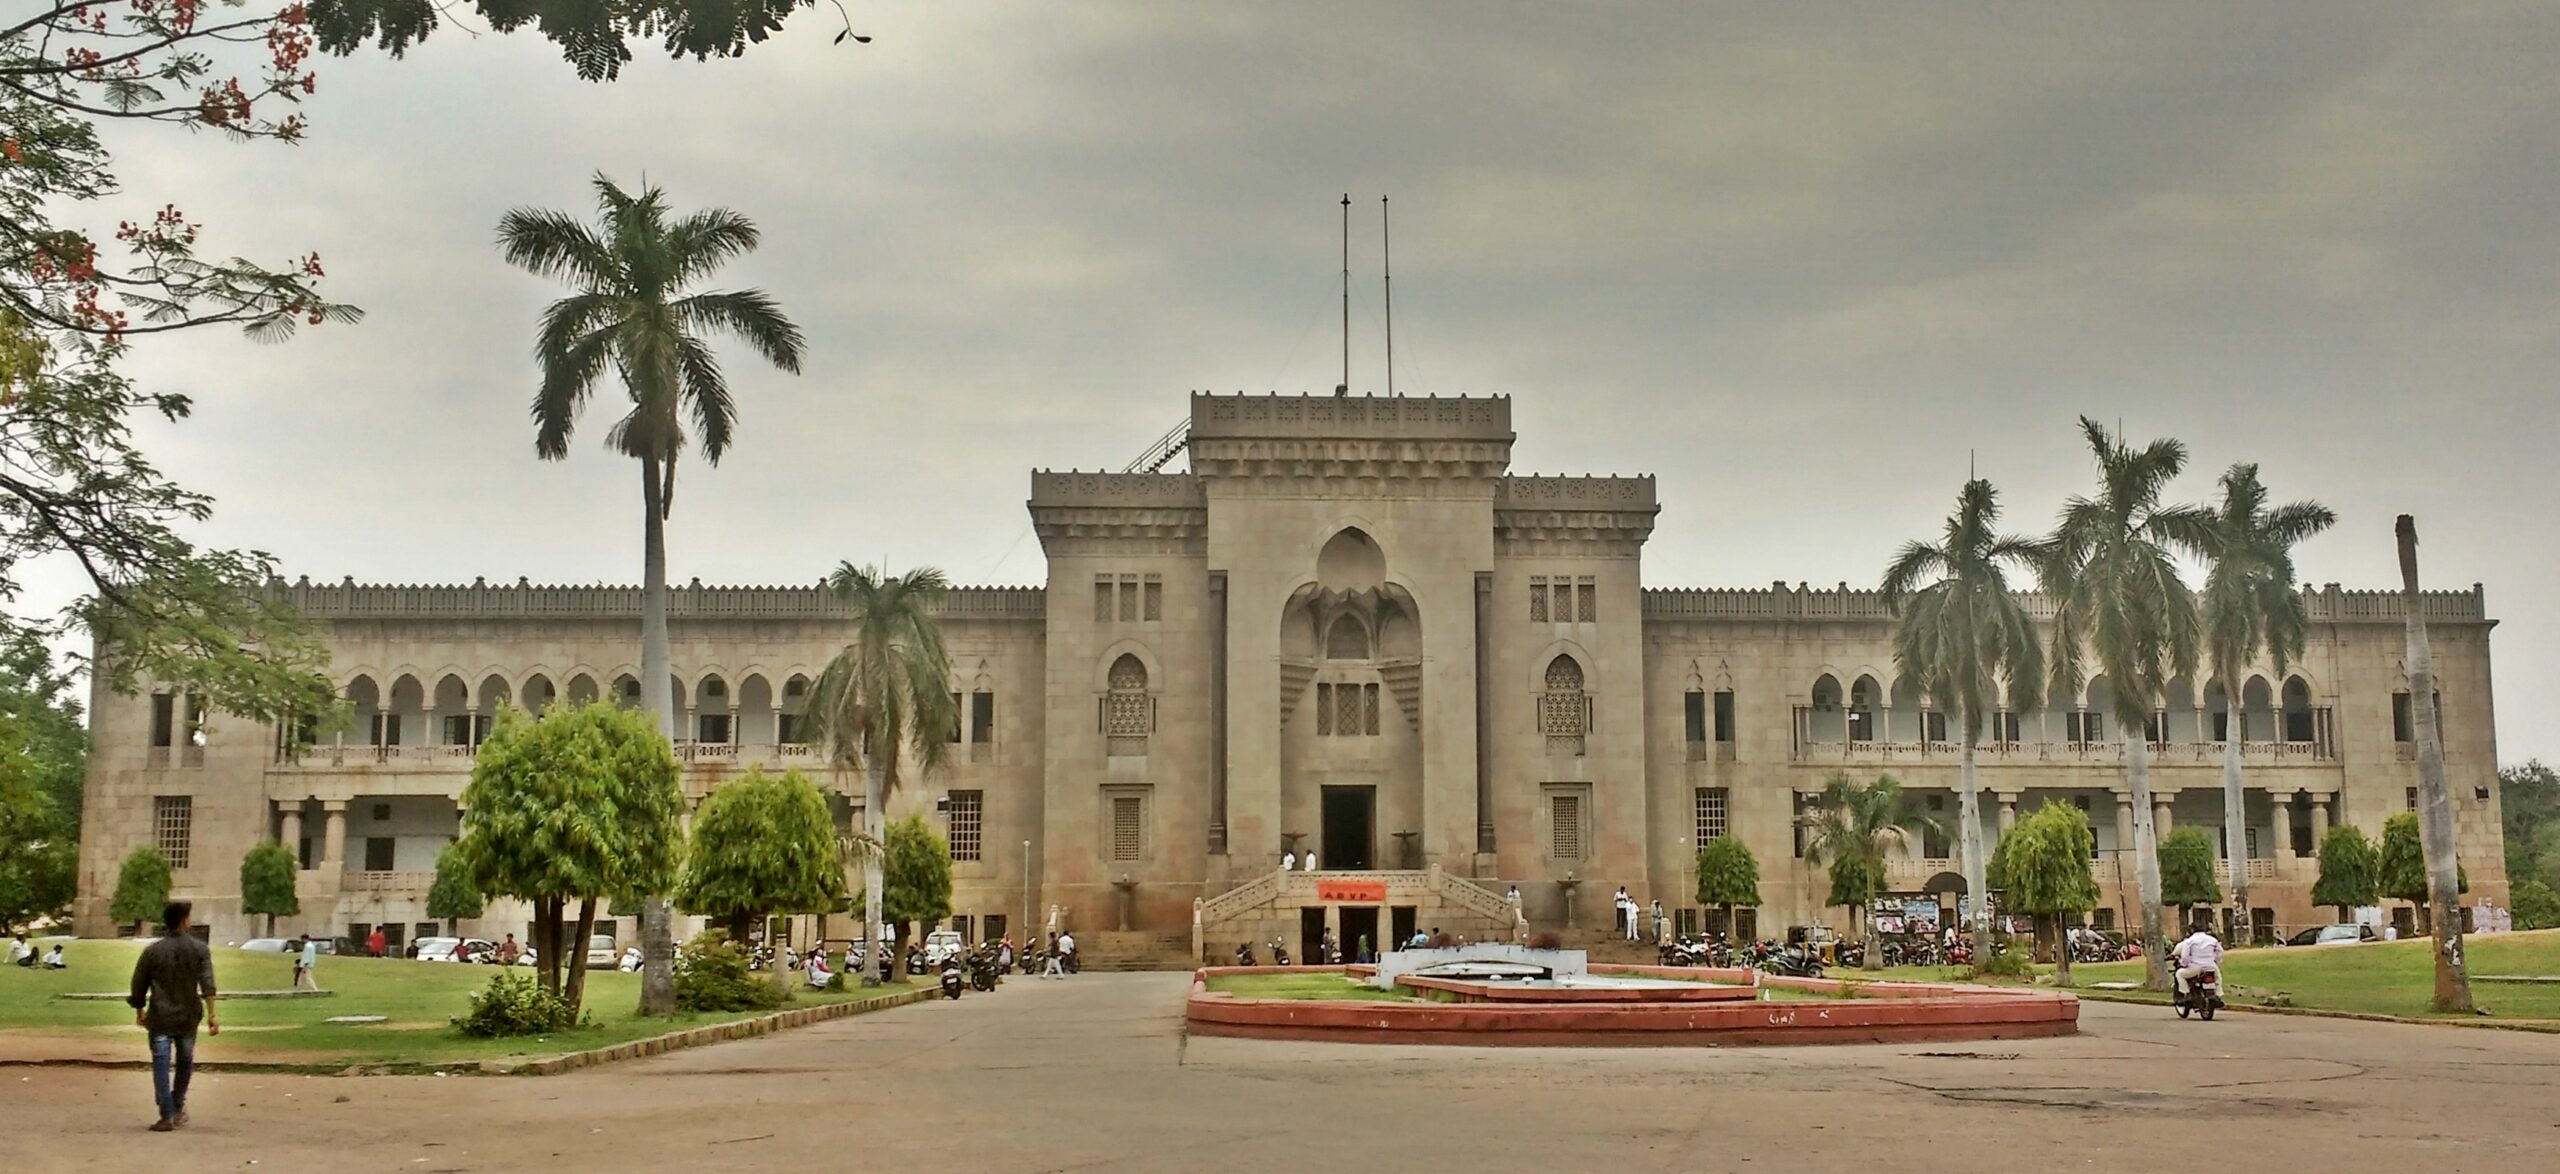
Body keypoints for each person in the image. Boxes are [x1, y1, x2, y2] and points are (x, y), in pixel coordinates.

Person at [127, 902, 217, 1133]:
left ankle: (166, 1113)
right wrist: (213, 1015)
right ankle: (177, 1104)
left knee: (161, 1063)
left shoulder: (153, 951)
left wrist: (139, 1009)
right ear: (185, 920)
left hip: (160, 1015)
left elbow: (139, 984)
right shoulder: (199, 949)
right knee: (185, 1061)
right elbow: (208, 983)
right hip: (188, 1015)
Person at [2172, 923, 2225, 997]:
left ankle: (2186, 993)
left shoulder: (2190, 941)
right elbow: (2220, 952)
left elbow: (2185, 956)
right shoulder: (2212, 939)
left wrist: (2184, 964)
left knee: (2179, 974)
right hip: (2211, 966)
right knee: (2218, 977)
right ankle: (2218, 993)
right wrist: (2216, 962)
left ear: (2191, 930)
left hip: (2196, 967)